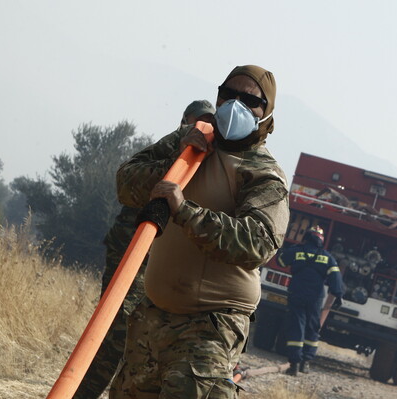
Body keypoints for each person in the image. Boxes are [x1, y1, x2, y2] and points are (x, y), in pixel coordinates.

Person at [109, 65, 289, 399]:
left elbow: (257, 243)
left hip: (211, 324)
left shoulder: (263, 174)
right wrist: (173, 164)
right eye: (228, 94)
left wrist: (184, 210)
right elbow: (126, 183)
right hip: (153, 316)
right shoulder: (190, 141)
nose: (236, 105)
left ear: (266, 112)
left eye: (250, 100)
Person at [73, 100, 216, 399]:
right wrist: (176, 163)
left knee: (143, 345)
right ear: (184, 120)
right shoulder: (174, 145)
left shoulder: (215, 159)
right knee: (115, 336)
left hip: (167, 267)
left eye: (208, 122)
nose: (201, 128)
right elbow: (127, 181)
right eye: (197, 121)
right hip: (133, 253)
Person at [277, 225, 344, 376]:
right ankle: (305, 363)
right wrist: (338, 294)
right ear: (321, 240)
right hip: (315, 299)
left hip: (297, 294)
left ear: (306, 237)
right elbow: (336, 278)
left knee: (297, 327)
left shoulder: (296, 251)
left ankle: (294, 364)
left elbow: (280, 262)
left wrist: (282, 248)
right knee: (313, 328)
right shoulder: (327, 257)